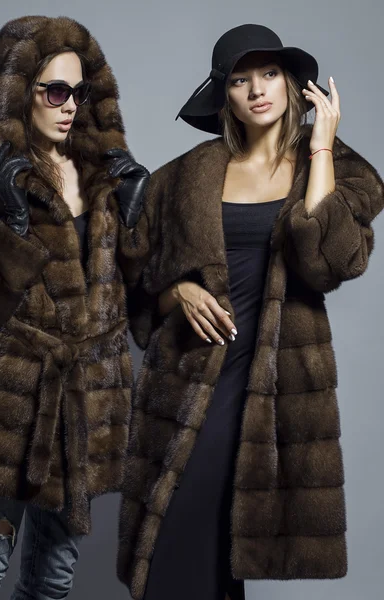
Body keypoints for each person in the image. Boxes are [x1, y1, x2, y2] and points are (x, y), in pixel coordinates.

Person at [117, 23, 384, 600]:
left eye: (268, 74)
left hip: (276, 388)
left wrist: (320, 147)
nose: (257, 89)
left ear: (290, 84)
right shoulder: (185, 176)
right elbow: (133, 284)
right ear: (225, 95)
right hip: (189, 380)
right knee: (176, 552)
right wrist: (177, 293)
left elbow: (326, 264)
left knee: (216, 554)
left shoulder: (335, 168)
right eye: (240, 79)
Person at [0, 15, 149, 600]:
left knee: (52, 582)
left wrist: (137, 223)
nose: (70, 107)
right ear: (18, 94)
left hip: (85, 411)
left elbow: (140, 308)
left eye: (79, 93)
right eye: (55, 91)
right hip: (11, 414)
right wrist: (13, 219)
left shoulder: (108, 182)